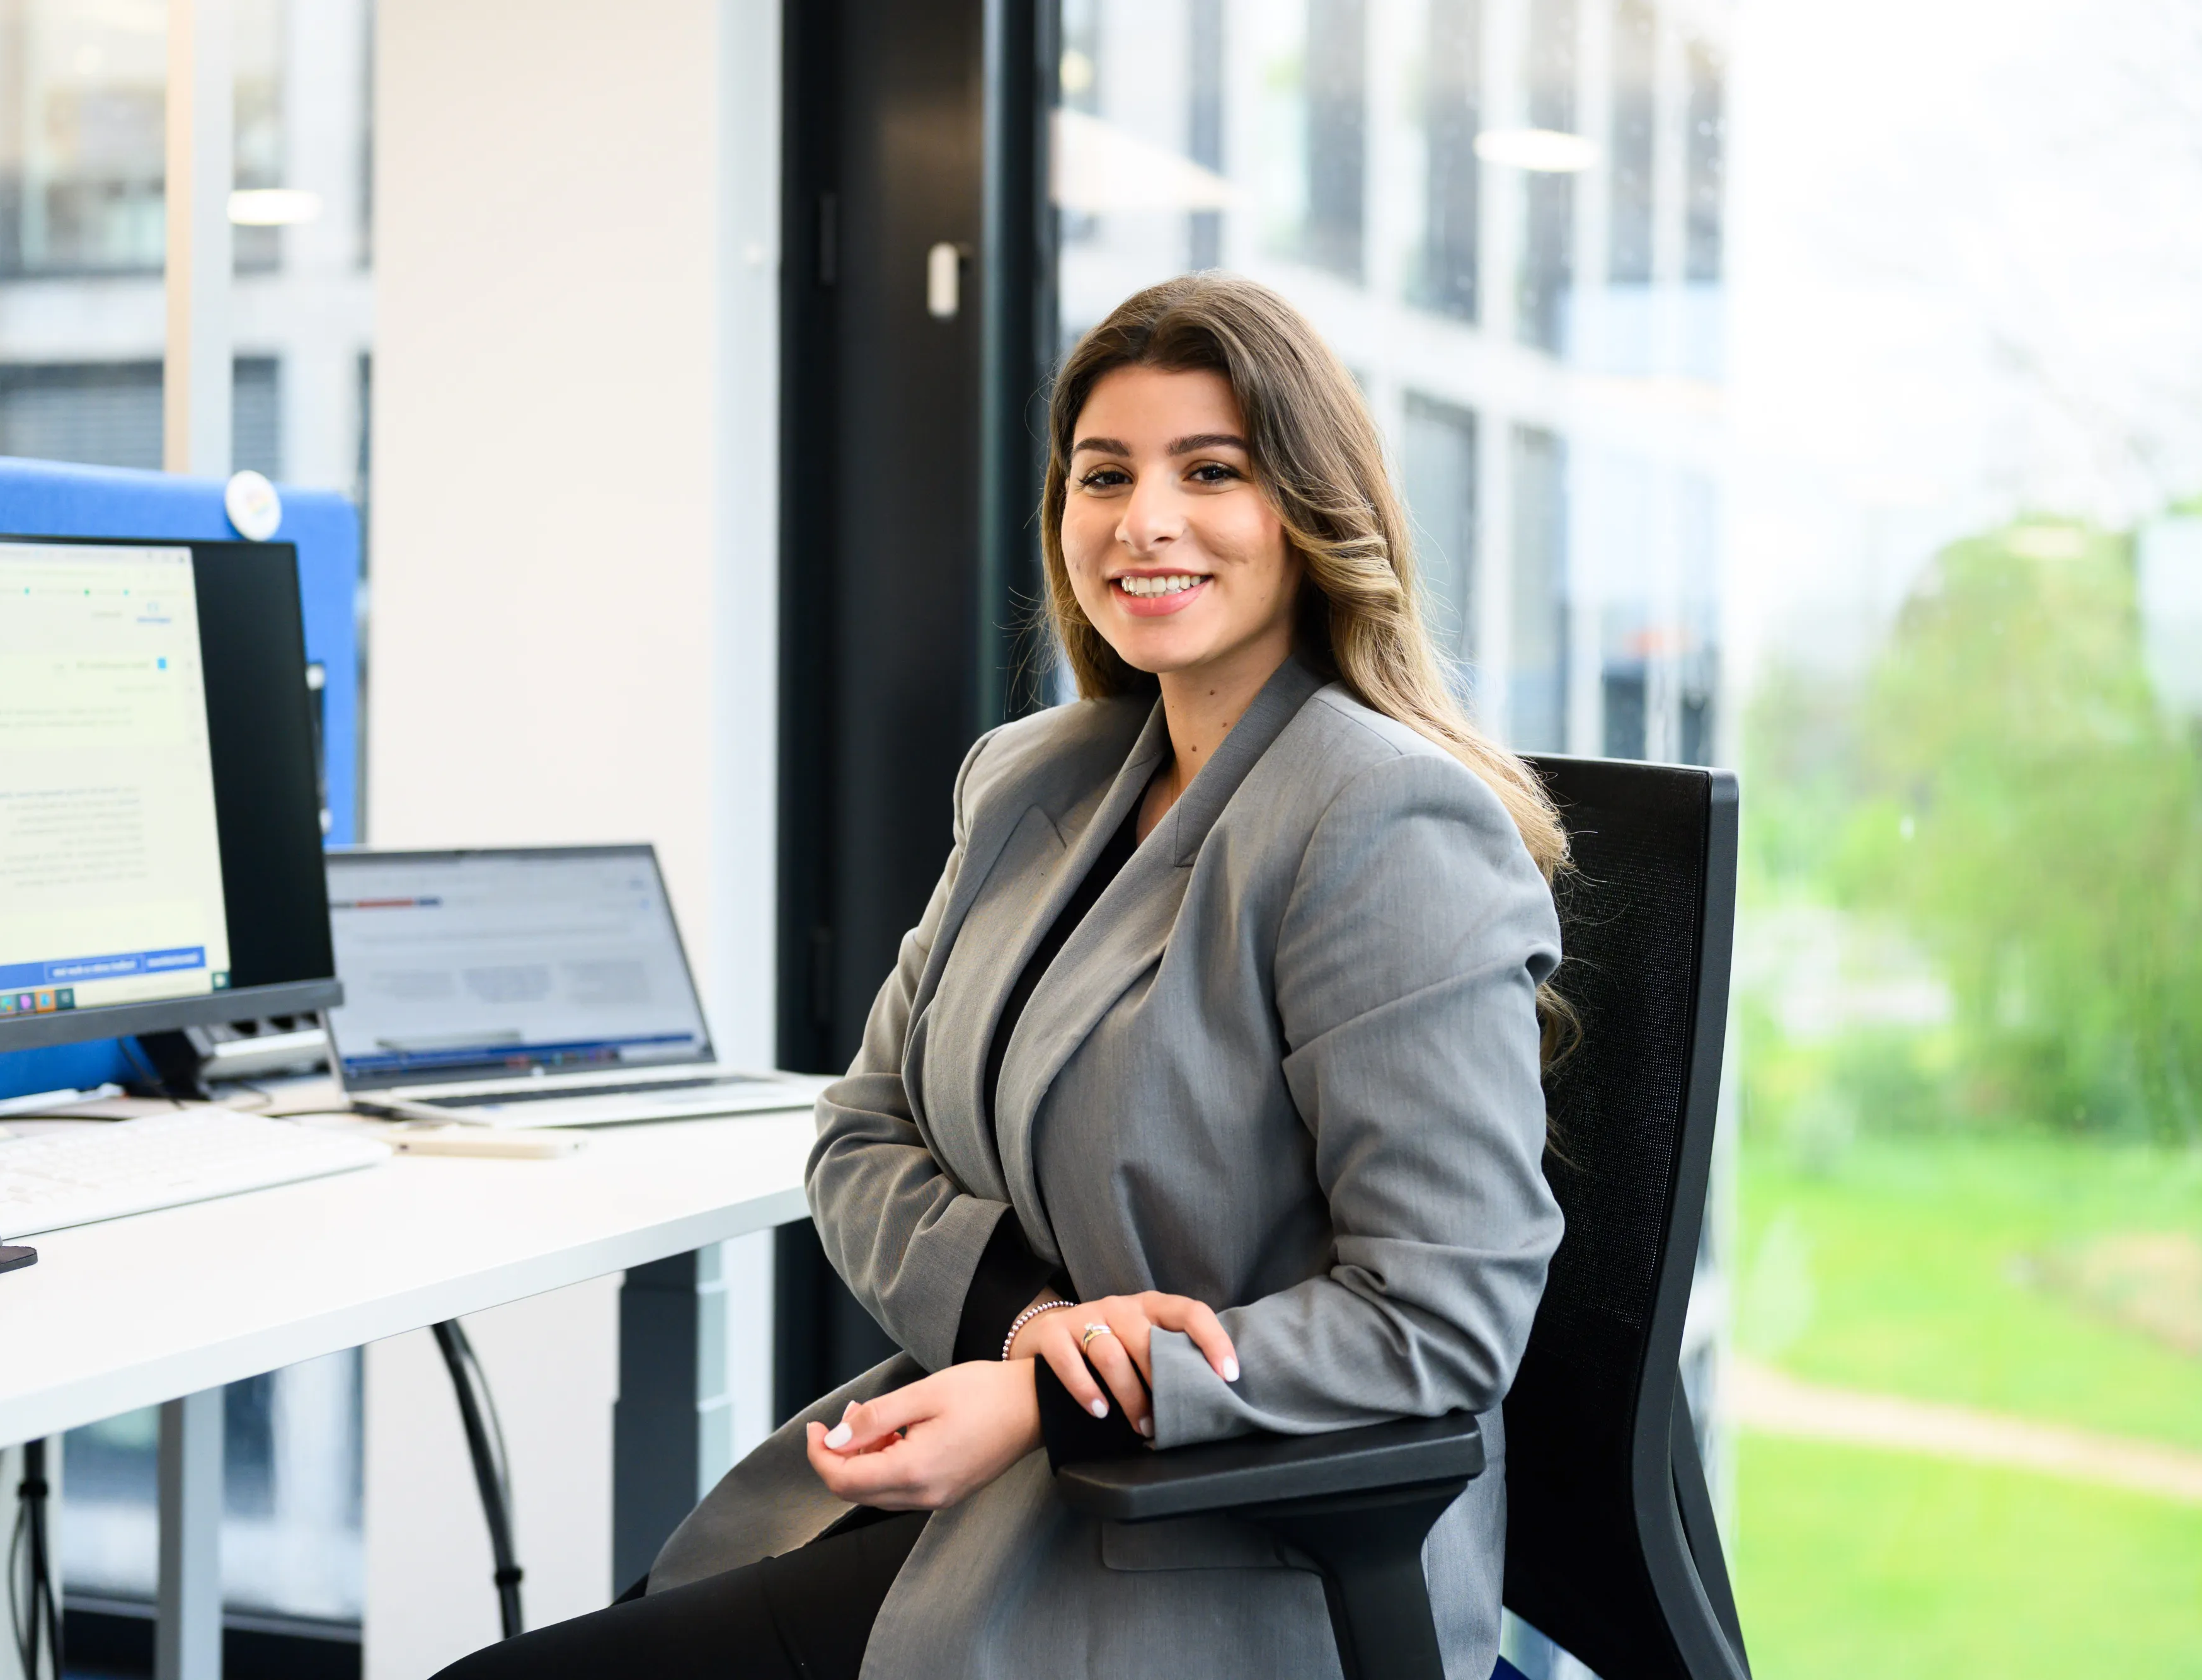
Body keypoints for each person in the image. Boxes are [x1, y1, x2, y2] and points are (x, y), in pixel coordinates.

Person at [436, 273, 1567, 1680]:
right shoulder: (1036, 780)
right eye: (1105, 473)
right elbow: (861, 1135)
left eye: (1210, 470)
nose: (1143, 520)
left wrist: (1054, 1395)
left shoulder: (1384, 823)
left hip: (1208, 1554)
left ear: (1308, 509)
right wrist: (1032, 1326)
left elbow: (1440, 1317)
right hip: (979, 1485)